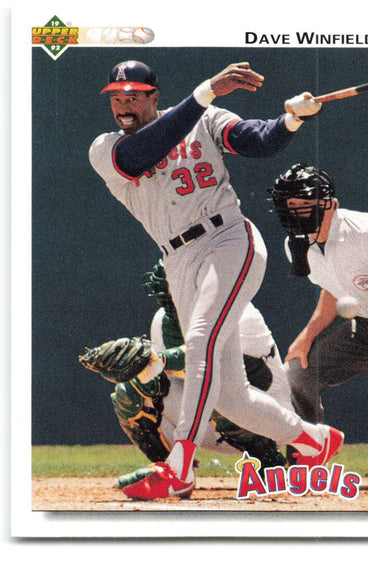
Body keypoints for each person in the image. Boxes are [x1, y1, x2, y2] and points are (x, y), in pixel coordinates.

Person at [89, 60, 343, 500]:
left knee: (201, 340)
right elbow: (143, 152)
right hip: (177, 259)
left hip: (226, 239)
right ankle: (316, 440)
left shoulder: (202, 118)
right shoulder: (106, 148)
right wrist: (204, 90)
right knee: (230, 396)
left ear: (153, 95)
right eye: (116, 96)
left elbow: (258, 141)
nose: (123, 104)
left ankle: (180, 467)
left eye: (133, 95)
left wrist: (292, 119)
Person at [111, 259, 291, 493]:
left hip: (267, 421)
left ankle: (269, 464)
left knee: (216, 385)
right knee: (131, 389)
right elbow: (167, 379)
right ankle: (173, 471)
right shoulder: (160, 322)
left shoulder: (237, 310)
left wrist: (159, 359)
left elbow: (208, 360)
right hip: (210, 425)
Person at [269, 163, 368, 429]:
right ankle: (309, 455)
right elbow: (334, 287)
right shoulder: (295, 246)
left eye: (303, 203)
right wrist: (307, 336)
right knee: (299, 374)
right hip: (365, 330)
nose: (296, 212)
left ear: (329, 203)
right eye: (289, 205)